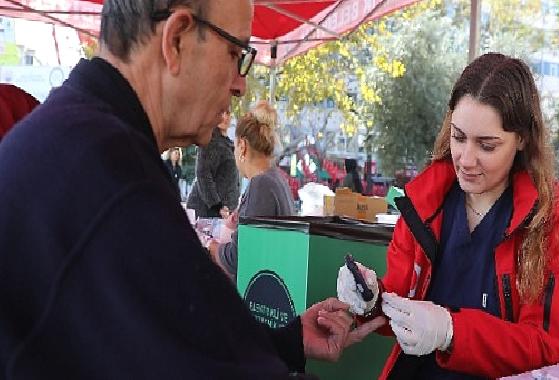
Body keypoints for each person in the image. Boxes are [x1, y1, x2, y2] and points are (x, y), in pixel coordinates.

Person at [0, 1, 384, 378]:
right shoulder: (114, 173)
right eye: (235, 53)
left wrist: (286, 342)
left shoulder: (79, 137)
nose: (240, 84)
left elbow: (172, 337)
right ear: (177, 39)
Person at [337, 53, 559, 379]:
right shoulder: (424, 205)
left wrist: (451, 331)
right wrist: (371, 299)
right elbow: (399, 308)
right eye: (458, 137)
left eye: (487, 145)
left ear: (522, 139)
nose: (466, 159)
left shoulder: (552, 219)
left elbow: (548, 349)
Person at [209, 101, 295, 280]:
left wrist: (209, 245)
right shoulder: (276, 180)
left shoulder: (261, 185)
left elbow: (237, 258)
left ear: (242, 146)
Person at [187, 111, 239, 217]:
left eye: (228, 113)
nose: (224, 117)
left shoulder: (227, 142)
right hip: (206, 211)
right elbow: (203, 174)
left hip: (221, 211)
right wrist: (217, 206)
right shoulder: (209, 140)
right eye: (220, 112)